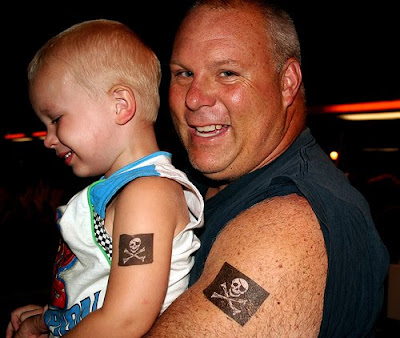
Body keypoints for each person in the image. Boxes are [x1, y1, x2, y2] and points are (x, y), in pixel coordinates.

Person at [145, 0, 390, 337]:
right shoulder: (202, 184)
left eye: (227, 73)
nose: (194, 98)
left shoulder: (286, 232)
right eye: (184, 73)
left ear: (287, 82)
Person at [6, 19, 204, 337]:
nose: (47, 138)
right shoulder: (121, 191)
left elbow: (124, 320)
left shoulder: (146, 195)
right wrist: (50, 319)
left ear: (120, 105)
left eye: (56, 119)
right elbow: (99, 292)